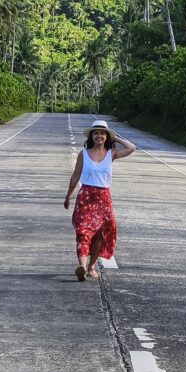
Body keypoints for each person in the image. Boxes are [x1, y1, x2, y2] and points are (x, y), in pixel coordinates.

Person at [64, 119, 136, 281]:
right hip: (86, 197)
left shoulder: (111, 154)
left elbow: (131, 148)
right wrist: (68, 196)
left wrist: (115, 138)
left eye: (103, 133)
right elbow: (75, 176)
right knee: (83, 231)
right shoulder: (83, 154)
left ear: (107, 136)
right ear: (91, 136)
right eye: (96, 133)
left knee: (99, 235)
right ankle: (82, 266)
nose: (99, 136)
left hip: (103, 199)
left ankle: (91, 267)